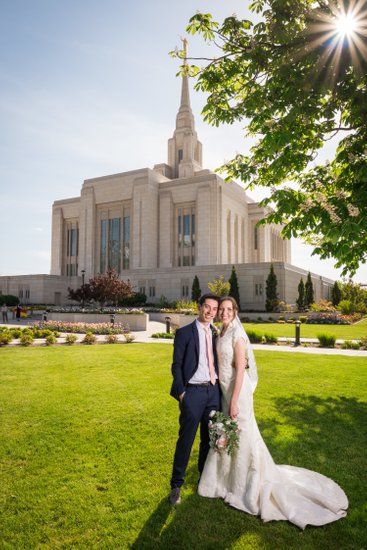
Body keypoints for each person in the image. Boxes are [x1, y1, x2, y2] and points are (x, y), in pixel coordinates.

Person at [198, 296, 348, 529]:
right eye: (222, 310)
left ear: (235, 312)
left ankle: (246, 487)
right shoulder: (221, 333)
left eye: (229, 309)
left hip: (238, 394)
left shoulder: (238, 336)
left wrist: (235, 400)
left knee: (245, 437)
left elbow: (240, 372)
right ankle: (226, 482)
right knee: (231, 438)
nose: (225, 312)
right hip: (225, 393)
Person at [169, 293, 221, 505]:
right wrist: (182, 393)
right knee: (186, 440)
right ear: (199, 307)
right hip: (192, 393)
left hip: (213, 393)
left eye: (214, 309)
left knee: (209, 440)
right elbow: (176, 365)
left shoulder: (217, 333)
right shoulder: (184, 333)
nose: (210, 312)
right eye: (207, 307)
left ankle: (204, 479)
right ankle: (176, 485)